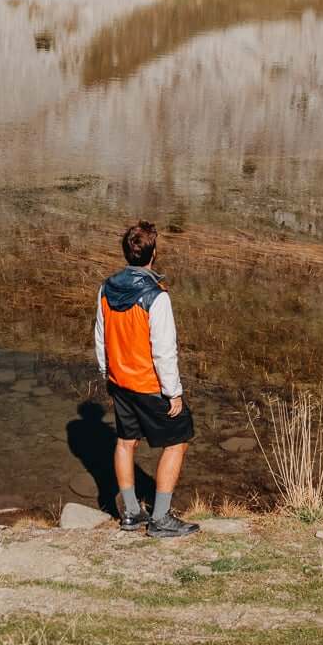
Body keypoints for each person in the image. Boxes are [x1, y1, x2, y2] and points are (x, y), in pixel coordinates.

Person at [93, 220, 198, 538]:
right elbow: (164, 351)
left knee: (125, 443)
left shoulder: (107, 288)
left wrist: (107, 375)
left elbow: (101, 337)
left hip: (120, 382)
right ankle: (161, 518)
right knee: (178, 442)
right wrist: (174, 392)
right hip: (150, 385)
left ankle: (131, 514)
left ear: (127, 252)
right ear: (154, 253)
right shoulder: (157, 296)